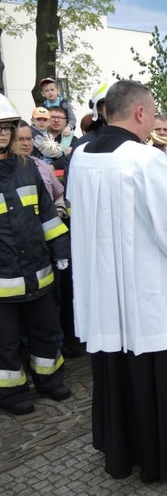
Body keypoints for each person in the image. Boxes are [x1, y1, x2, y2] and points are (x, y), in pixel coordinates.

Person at [68, 80, 167, 482]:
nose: (152, 124)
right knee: (158, 364)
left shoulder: (81, 156)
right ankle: (165, 456)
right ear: (139, 113)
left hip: (105, 291)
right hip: (149, 291)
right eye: (151, 114)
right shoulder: (145, 160)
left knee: (115, 364)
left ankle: (121, 450)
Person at [0, 95, 71, 416]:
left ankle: (49, 380)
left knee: (45, 331)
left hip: (39, 272)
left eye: (7, 128)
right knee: (6, 343)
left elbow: (47, 216)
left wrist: (61, 250)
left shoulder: (28, 168)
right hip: (3, 284)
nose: (3, 134)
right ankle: (11, 393)